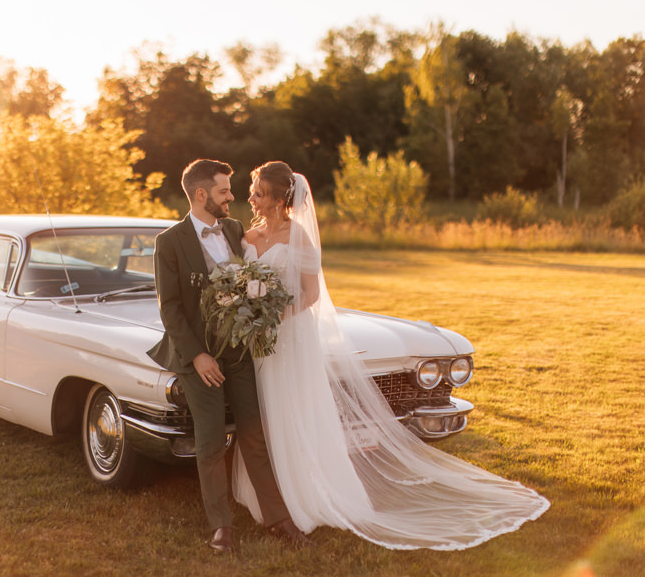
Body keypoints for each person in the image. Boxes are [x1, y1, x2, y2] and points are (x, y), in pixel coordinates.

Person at [232, 161, 550, 550]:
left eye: (259, 192)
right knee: (264, 412)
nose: (251, 198)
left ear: (281, 199)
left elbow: (312, 294)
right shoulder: (247, 236)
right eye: (253, 191)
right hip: (258, 343)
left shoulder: (299, 236)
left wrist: (278, 315)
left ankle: (307, 496)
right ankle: (266, 494)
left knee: (293, 410)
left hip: (290, 338)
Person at [147, 159, 309, 554]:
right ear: (201, 194)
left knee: (254, 433)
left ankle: (278, 518)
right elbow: (170, 309)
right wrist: (199, 357)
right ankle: (221, 526)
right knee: (210, 442)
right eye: (224, 190)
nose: (232, 197)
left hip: (240, 351)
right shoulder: (169, 242)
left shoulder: (236, 230)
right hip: (198, 359)